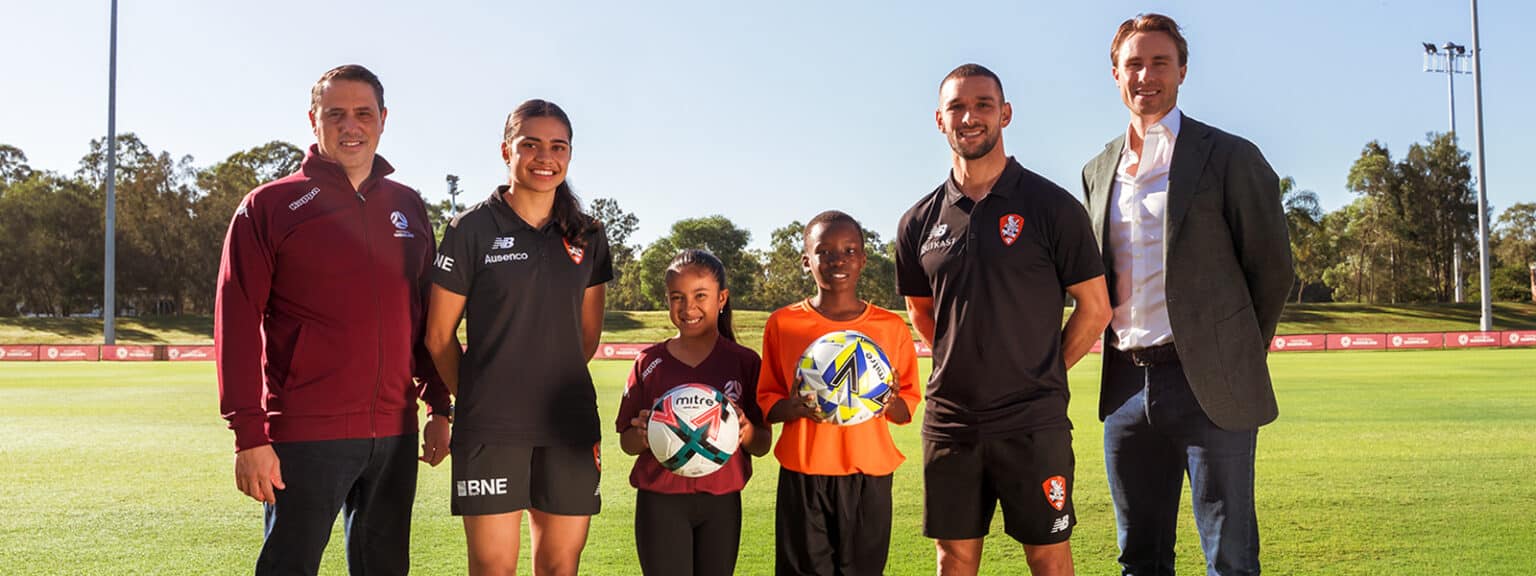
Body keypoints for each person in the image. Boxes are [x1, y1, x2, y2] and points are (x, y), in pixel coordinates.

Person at [215, 63, 452, 576]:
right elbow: (235, 326)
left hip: (394, 432)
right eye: (336, 114)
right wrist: (250, 437)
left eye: (364, 113)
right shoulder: (269, 206)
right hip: (304, 434)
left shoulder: (408, 207)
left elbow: (424, 317)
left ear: (383, 120)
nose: (351, 126)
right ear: (313, 120)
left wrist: (438, 404)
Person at [1080, 14, 1293, 576]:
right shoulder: (1097, 170)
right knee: (1139, 557)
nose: (1145, 75)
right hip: (1126, 386)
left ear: (1182, 72)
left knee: (1229, 557)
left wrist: (1235, 351)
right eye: (1133, 64)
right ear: (1115, 73)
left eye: (1159, 62)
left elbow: (1270, 269)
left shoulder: (1229, 156)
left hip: (1209, 387)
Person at [895, 64, 1113, 576]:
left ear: (1005, 114)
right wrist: (965, 360)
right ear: (939, 120)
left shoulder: (1051, 206)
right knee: (954, 556)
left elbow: (1096, 307)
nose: (969, 117)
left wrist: (1043, 369)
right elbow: (920, 313)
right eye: (957, 107)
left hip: (1032, 420)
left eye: (983, 105)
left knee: (1047, 553)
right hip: (950, 421)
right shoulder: (917, 222)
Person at [423, 99, 612, 576]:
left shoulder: (588, 235)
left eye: (557, 146)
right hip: (490, 427)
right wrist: (477, 395)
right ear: (506, 150)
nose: (544, 156)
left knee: (559, 567)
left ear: (569, 154)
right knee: (492, 568)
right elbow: (438, 335)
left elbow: (586, 337)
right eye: (530, 144)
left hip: (568, 426)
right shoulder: (470, 229)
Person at [758, 210, 923, 576]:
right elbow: (768, 404)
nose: (838, 260)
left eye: (849, 250)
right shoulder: (783, 323)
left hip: (869, 476)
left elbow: (904, 408)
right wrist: (797, 407)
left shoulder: (890, 327)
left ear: (863, 259)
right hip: (804, 472)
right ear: (806, 260)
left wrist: (885, 401)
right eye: (825, 251)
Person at [615, 249, 772, 576]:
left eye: (701, 295)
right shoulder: (649, 362)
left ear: (722, 298)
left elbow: (762, 444)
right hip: (660, 501)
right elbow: (627, 443)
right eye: (677, 297)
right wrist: (643, 435)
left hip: (722, 502)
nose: (688, 308)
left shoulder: (744, 362)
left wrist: (747, 432)